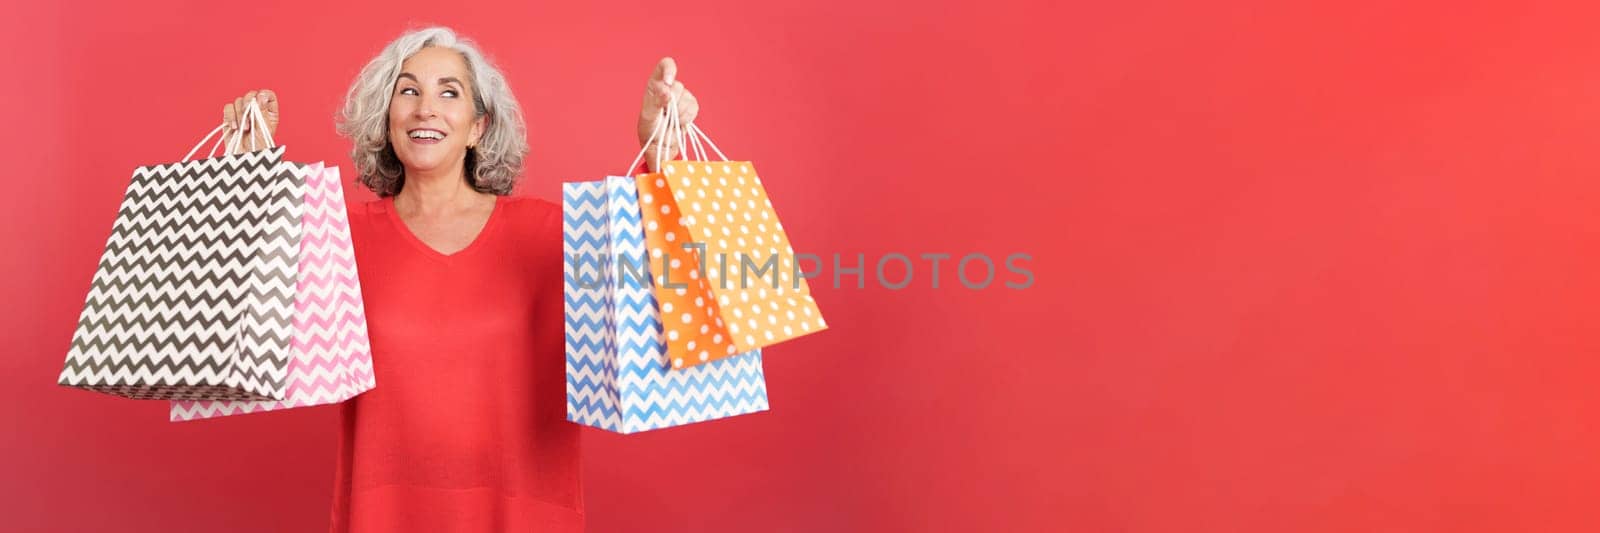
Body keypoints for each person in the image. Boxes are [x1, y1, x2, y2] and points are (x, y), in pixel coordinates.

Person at [219, 26, 700, 532]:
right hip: (383, 517)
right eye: (409, 91)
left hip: (524, 515)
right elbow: (244, 322)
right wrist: (247, 176)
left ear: (477, 127)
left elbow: (662, 281)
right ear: (387, 121)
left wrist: (657, 150)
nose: (426, 108)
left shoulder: (550, 233)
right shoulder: (338, 237)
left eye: (450, 92)